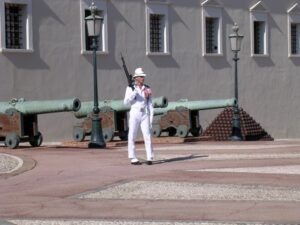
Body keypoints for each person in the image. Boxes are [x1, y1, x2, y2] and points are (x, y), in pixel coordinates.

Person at [123, 67, 154, 165]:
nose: (143, 78)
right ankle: (133, 157)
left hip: (144, 113)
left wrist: (151, 118)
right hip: (135, 112)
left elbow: (150, 104)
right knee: (132, 135)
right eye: (141, 77)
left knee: (147, 135)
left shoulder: (147, 88)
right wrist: (133, 94)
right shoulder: (130, 88)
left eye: (143, 76)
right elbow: (126, 102)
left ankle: (150, 157)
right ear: (136, 78)